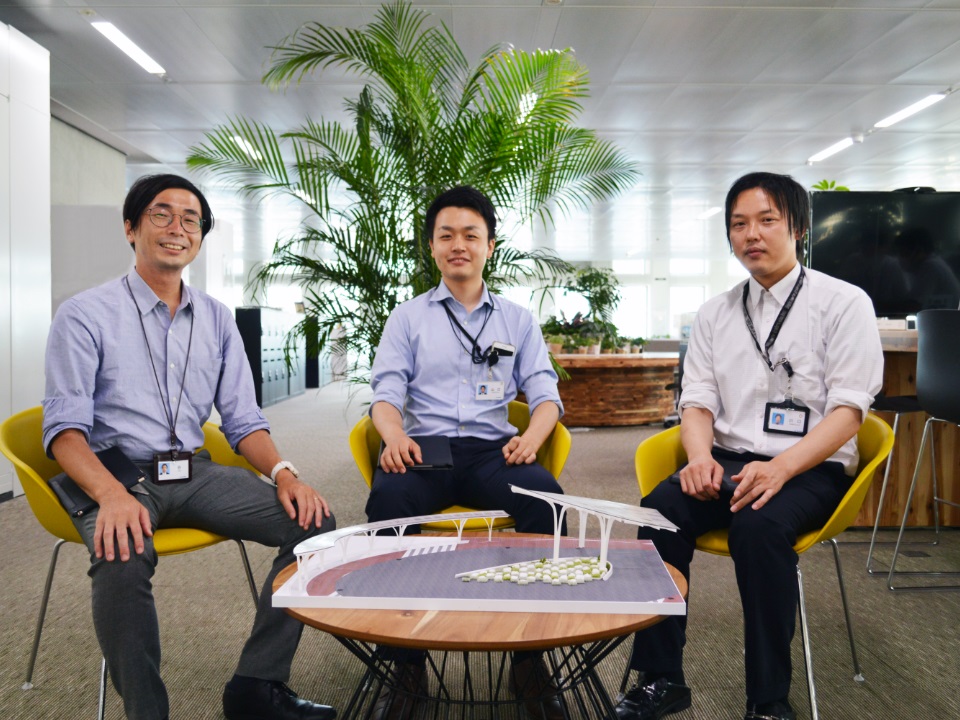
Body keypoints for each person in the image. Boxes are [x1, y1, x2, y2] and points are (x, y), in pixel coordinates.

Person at [42, 174, 337, 720]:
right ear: (130, 228)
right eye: (161, 214)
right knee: (121, 551)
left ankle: (257, 688)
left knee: (314, 523)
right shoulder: (83, 315)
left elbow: (244, 420)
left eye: (191, 220)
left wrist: (286, 475)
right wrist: (110, 495)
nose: (177, 228)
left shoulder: (218, 319)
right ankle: (147, 713)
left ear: (200, 237)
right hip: (119, 473)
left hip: (194, 472)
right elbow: (64, 432)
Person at [614, 172, 883, 720]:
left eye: (767, 221)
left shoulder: (843, 303)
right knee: (660, 511)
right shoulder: (716, 312)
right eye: (739, 224)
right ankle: (662, 678)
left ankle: (767, 700)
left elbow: (850, 413)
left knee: (758, 527)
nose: (751, 234)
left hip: (809, 464)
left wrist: (781, 467)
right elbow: (698, 401)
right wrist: (698, 458)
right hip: (728, 459)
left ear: (799, 228)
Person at [365, 185, 566, 720]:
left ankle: (530, 658)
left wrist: (533, 438)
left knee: (546, 500)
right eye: (446, 235)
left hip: (491, 449)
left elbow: (546, 396)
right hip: (425, 449)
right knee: (387, 506)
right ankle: (404, 666)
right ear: (431, 247)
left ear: (490, 246)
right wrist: (394, 437)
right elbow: (385, 396)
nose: (459, 245)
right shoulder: (407, 318)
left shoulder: (517, 320)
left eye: (470, 235)